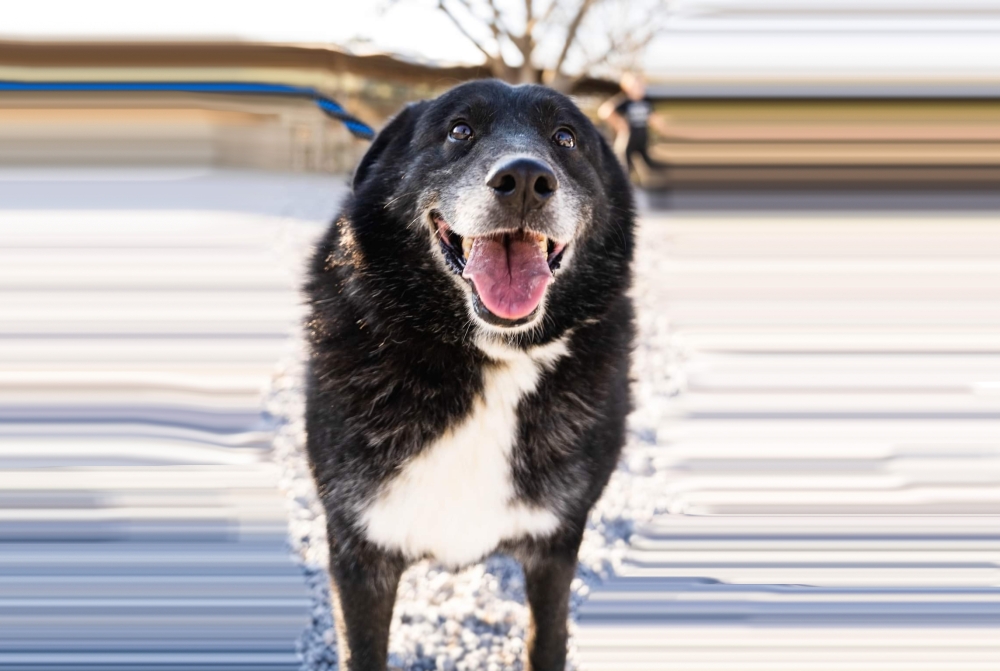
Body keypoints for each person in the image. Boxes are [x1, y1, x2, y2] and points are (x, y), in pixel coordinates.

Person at [598, 72, 671, 176]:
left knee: (650, 167)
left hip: (642, 139)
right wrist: (619, 123)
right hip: (628, 140)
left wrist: (661, 126)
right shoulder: (625, 101)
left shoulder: (647, 101)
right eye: (635, 86)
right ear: (627, 88)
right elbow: (605, 111)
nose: (639, 88)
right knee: (624, 170)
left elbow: (652, 117)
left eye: (641, 85)